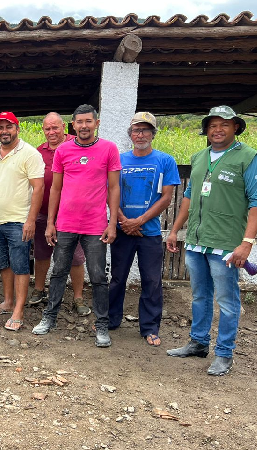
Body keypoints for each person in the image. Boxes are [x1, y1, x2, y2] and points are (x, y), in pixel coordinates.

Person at [166, 105, 257, 376]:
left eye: (224, 125)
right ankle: (198, 343)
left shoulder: (248, 158)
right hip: (196, 240)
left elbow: (255, 202)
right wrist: (175, 230)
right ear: (206, 130)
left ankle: (224, 354)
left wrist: (247, 242)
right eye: (212, 125)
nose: (217, 130)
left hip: (226, 243)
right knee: (199, 295)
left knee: (228, 300)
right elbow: (189, 197)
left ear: (236, 128)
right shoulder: (199, 157)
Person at [32, 104, 121, 348]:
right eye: (79, 122)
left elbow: (113, 188)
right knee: (59, 271)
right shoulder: (63, 150)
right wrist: (51, 223)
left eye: (88, 121)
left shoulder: (109, 149)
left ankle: (102, 325)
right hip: (66, 224)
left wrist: (112, 222)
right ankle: (49, 317)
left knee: (99, 276)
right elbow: (56, 189)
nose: (83, 126)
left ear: (96, 123)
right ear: (73, 125)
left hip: (95, 225)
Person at [108, 112, 180, 345]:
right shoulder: (119, 160)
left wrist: (138, 221)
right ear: (130, 134)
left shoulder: (165, 161)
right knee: (118, 277)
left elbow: (166, 198)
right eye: (137, 130)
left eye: (145, 130)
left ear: (153, 134)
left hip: (148, 232)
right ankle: (111, 319)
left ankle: (149, 327)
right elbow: (110, 193)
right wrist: (123, 221)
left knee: (151, 280)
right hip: (122, 230)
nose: (141, 134)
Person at [0, 112, 45, 331]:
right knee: (3, 263)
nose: (4, 131)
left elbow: (39, 187)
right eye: (0, 127)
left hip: (20, 220)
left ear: (17, 129)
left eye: (8, 127)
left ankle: (19, 310)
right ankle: (8, 302)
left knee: (20, 266)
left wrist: (30, 220)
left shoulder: (30, 154)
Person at [30, 112, 90, 316]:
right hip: (44, 212)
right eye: (47, 128)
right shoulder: (39, 152)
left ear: (64, 127)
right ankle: (39, 290)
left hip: (72, 214)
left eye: (55, 127)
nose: (51, 132)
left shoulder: (77, 145)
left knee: (75, 256)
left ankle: (78, 297)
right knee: (41, 253)